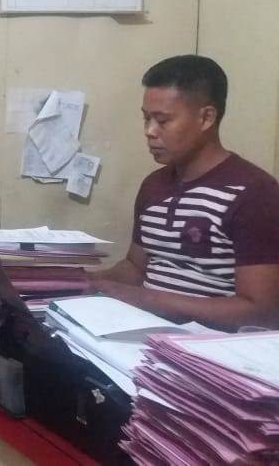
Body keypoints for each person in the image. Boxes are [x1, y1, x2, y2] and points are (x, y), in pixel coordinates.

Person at [90, 54, 279, 332]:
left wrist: (149, 299)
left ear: (206, 117)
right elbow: (135, 267)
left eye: (162, 120)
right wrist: (84, 281)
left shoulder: (254, 193)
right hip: (144, 330)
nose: (149, 131)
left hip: (207, 346)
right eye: (146, 118)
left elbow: (261, 312)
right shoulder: (154, 185)